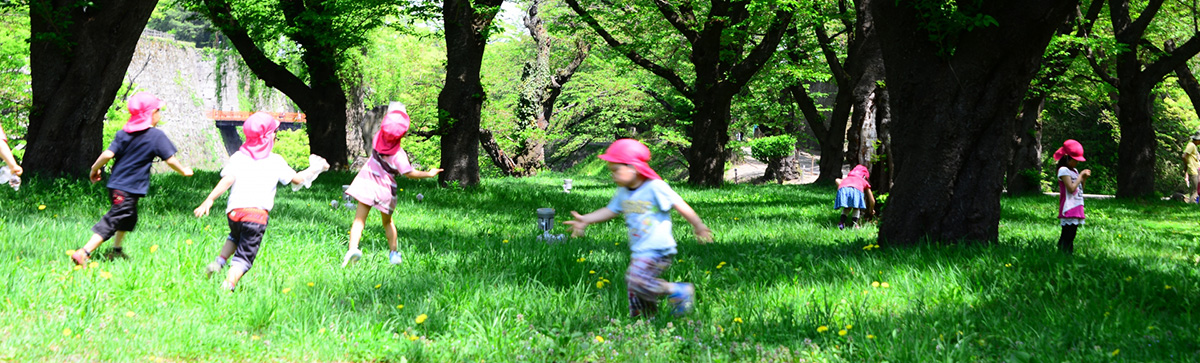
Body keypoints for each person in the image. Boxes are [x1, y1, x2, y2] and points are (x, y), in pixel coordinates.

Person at [564, 138, 712, 318]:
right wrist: (585, 220)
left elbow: (678, 203)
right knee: (634, 287)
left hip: (658, 249)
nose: (612, 175)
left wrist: (698, 225)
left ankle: (677, 290)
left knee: (635, 280)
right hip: (640, 250)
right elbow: (610, 210)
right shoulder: (624, 192)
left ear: (633, 167)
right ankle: (644, 319)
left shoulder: (654, 187)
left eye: (615, 170)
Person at [193, 112, 329, 291]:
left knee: (235, 236)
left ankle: (219, 262)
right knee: (244, 256)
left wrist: (209, 199)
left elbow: (227, 179)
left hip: (234, 213)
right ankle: (228, 284)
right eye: (273, 132)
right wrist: (315, 169)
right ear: (267, 137)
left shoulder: (238, 157)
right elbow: (297, 180)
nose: (275, 134)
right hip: (256, 217)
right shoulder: (275, 161)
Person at [71, 92, 193, 266]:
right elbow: (170, 159)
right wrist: (184, 171)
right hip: (127, 188)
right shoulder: (156, 136)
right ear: (151, 113)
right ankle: (84, 252)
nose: (159, 114)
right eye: (158, 110)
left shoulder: (123, 134)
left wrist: (94, 169)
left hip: (117, 185)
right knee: (116, 218)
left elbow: (108, 154)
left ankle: (116, 251)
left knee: (128, 218)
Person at [341, 102, 442, 267]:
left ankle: (353, 249)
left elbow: (389, 126)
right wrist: (429, 174)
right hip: (384, 190)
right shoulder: (399, 155)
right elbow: (409, 173)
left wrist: (393, 114)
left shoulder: (377, 138)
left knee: (359, 221)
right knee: (387, 222)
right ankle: (394, 254)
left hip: (367, 183)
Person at [1054, 139, 1090, 254]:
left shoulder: (1074, 170)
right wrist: (1080, 176)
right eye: (1075, 160)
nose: (1077, 163)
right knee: (1068, 234)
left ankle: (1066, 254)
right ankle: (1063, 253)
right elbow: (1070, 188)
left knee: (1072, 233)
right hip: (1068, 207)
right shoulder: (1063, 170)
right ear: (1067, 158)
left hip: (1077, 205)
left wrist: (1083, 179)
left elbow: (1079, 190)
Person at [833, 165, 875, 229]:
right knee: (856, 207)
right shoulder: (863, 181)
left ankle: (841, 223)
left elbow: (837, 180)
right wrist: (871, 210)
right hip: (856, 191)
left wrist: (842, 187)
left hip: (843, 189)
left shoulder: (847, 178)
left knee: (847, 207)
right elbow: (872, 200)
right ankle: (854, 224)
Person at [1184, 132, 1200, 203]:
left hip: (1195, 169)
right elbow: (1184, 156)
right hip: (1193, 170)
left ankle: (1191, 204)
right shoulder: (1191, 145)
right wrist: (1186, 166)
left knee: (1194, 189)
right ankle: (1192, 204)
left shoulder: (1193, 146)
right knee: (1196, 190)